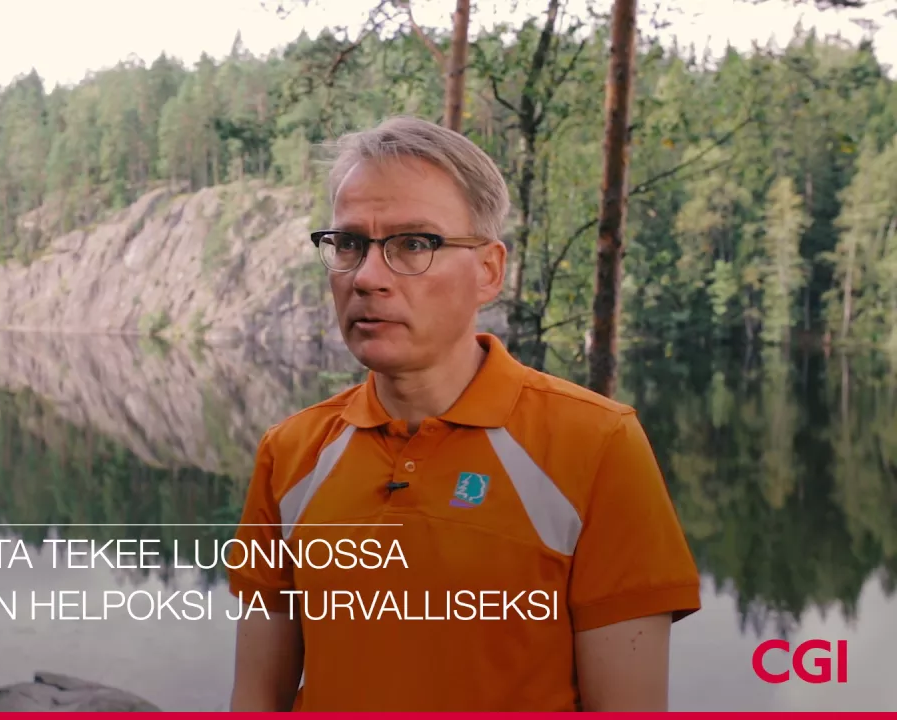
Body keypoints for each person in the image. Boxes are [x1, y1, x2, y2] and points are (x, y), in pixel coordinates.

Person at [225, 116, 701, 712]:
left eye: (413, 244)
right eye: (349, 244)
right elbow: (257, 697)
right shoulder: (292, 454)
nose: (367, 277)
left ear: (488, 271)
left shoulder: (597, 444)